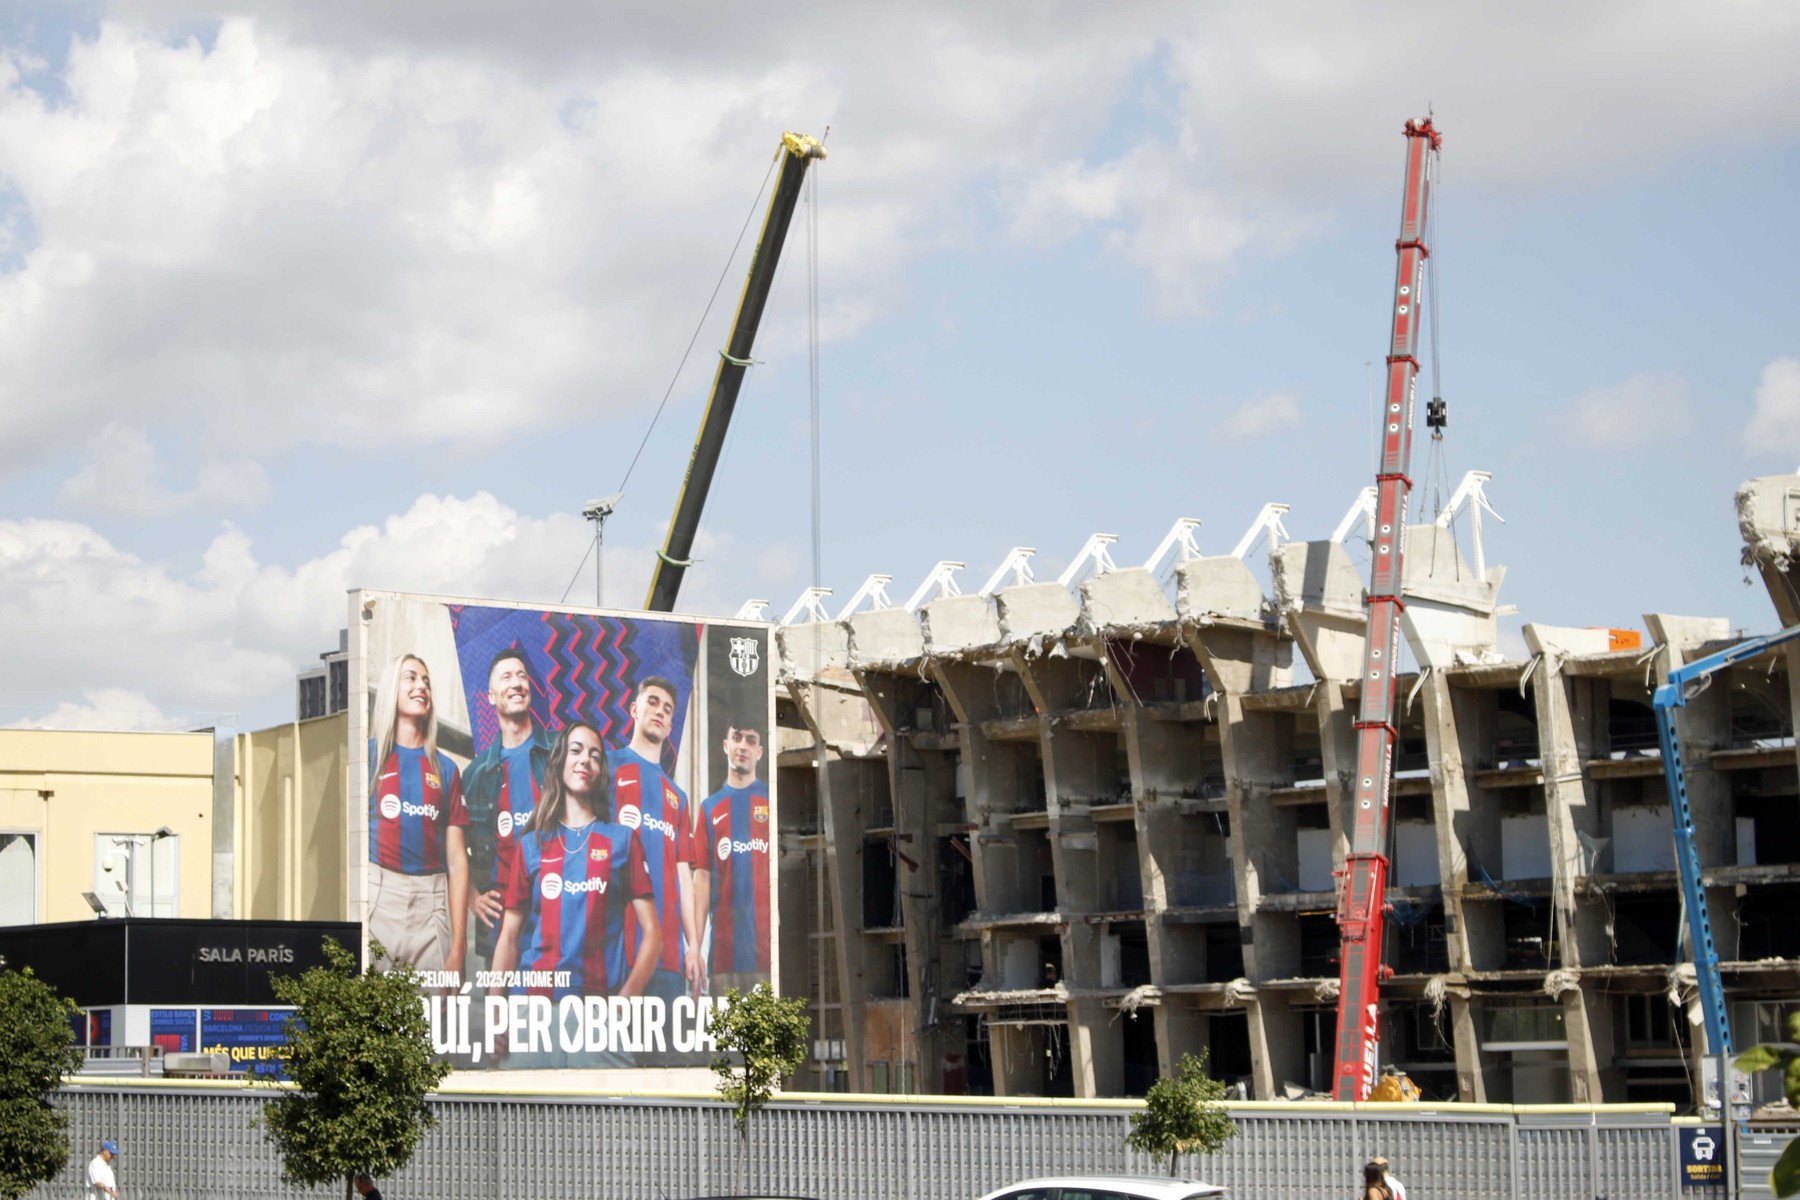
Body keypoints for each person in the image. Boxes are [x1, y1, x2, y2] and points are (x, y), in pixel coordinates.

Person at [491, 722, 659, 1066]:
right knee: (521, 1120)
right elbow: (508, 937)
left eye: (595, 755)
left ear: (600, 772)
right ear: (559, 761)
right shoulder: (531, 844)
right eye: (577, 750)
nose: (585, 760)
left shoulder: (622, 840)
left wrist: (625, 1001)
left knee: (606, 1119)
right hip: (531, 1013)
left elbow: (654, 935)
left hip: (596, 1013)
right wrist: (497, 1009)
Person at [367, 653, 471, 975]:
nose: (421, 686)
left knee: (433, 1021)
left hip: (432, 905)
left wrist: (459, 946)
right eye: (410, 677)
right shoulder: (366, 756)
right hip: (378, 897)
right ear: (390, 689)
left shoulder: (447, 769)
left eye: (426, 681)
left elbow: (456, 862)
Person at [607, 676, 701, 1001]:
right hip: (615, 950)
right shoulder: (607, 767)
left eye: (668, 708)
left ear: (671, 725)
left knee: (662, 1052)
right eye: (652, 701)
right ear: (634, 708)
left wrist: (694, 947)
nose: (660, 710)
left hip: (668, 956)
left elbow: (683, 877)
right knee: (612, 1050)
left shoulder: (677, 796)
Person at [460, 647, 553, 971]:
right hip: (500, 928)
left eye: (522, 676)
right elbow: (453, 847)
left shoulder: (561, 753)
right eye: (507, 677)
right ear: (490, 696)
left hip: (559, 920)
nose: (516, 683)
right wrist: (472, 895)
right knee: (501, 1021)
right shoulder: (475, 774)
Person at [692, 722, 771, 994]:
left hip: (767, 955)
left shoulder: (772, 801)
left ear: (760, 752)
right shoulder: (710, 808)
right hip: (723, 957)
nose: (743, 746)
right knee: (723, 1035)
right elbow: (700, 879)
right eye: (737, 738)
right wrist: (695, 947)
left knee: (768, 1035)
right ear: (726, 745)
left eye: (751, 740)